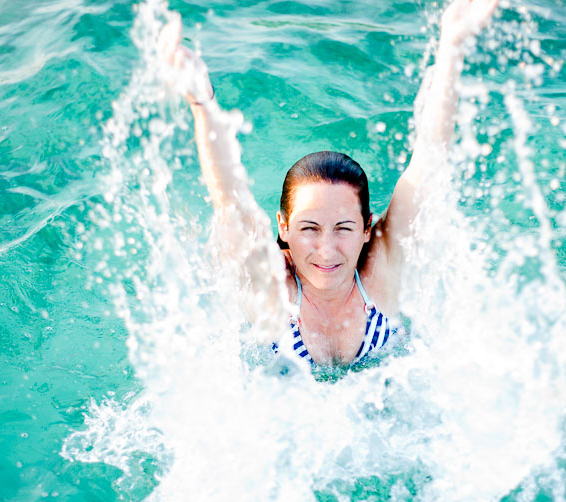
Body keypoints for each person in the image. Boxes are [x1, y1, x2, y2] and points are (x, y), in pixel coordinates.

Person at [159, 0, 500, 367]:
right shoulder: (273, 291)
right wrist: (202, 103)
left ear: (367, 229)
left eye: (343, 228)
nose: (326, 250)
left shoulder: (380, 274)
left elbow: (429, 162)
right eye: (310, 228)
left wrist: (452, 48)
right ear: (284, 227)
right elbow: (229, 198)